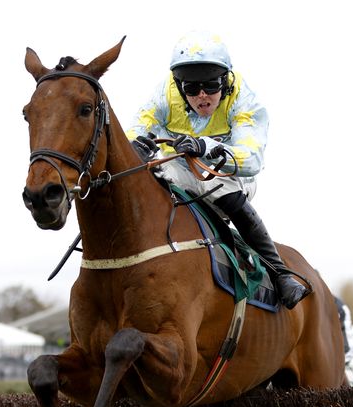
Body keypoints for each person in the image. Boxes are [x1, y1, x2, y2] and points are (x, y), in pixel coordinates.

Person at [126, 31, 310, 309]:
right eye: (192, 89)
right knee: (146, 177)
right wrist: (136, 146)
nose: (202, 95)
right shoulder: (165, 93)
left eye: (211, 86)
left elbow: (251, 160)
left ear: (224, 82)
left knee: (221, 187)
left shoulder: (245, 102)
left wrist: (204, 147)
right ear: (179, 85)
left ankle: (280, 273)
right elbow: (139, 127)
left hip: (230, 176)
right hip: (177, 169)